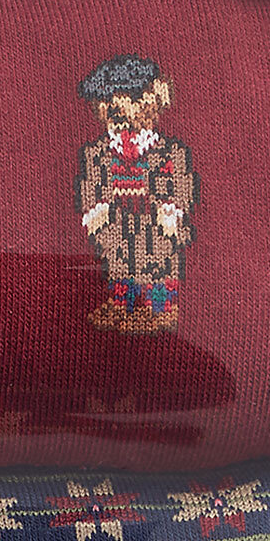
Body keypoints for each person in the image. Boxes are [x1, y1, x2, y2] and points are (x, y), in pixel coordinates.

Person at [75, 54, 199, 332]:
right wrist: (95, 209)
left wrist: (173, 210)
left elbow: (183, 182)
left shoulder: (169, 151)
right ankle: (123, 306)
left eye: (125, 101)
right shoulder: (98, 153)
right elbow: (91, 184)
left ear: (152, 100)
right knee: (118, 261)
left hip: (155, 221)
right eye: (108, 104)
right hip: (116, 221)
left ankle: (160, 309)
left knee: (158, 263)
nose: (117, 113)